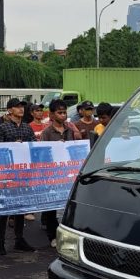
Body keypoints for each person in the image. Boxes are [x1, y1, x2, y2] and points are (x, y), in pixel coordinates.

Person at [0, 98, 37, 254]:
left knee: (20, 207)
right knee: (4, 209)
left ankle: (19, 240)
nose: (21, 109)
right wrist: (13, 147)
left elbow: (34, 147)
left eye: (22, 107)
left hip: (23, 173)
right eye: (17, 107)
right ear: (10, 110)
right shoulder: (2, 127)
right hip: (8, 173)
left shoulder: (27, 128)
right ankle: (0, 243)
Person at [39, 100, 81, 247]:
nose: (63, 115)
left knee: (69, 205)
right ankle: (52, 235)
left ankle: (69, 234)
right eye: (59, 112)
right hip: (53, 173)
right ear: (51, 114)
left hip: (69, 173)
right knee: (52, 206)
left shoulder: (70, 130)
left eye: (64, 112)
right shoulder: (47, 132)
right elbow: (43, 154)